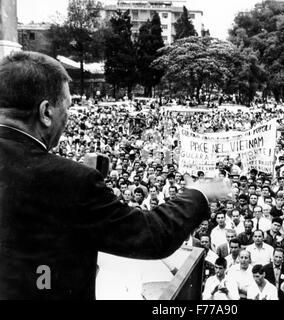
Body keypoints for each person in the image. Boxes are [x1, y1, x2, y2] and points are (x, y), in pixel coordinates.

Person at [0, 51, 229, 299]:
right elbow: (151, 236)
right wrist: (199, 193)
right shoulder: (71, 181)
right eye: (67, 108)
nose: (67, 119)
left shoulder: (68, 178)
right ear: (46, 112)